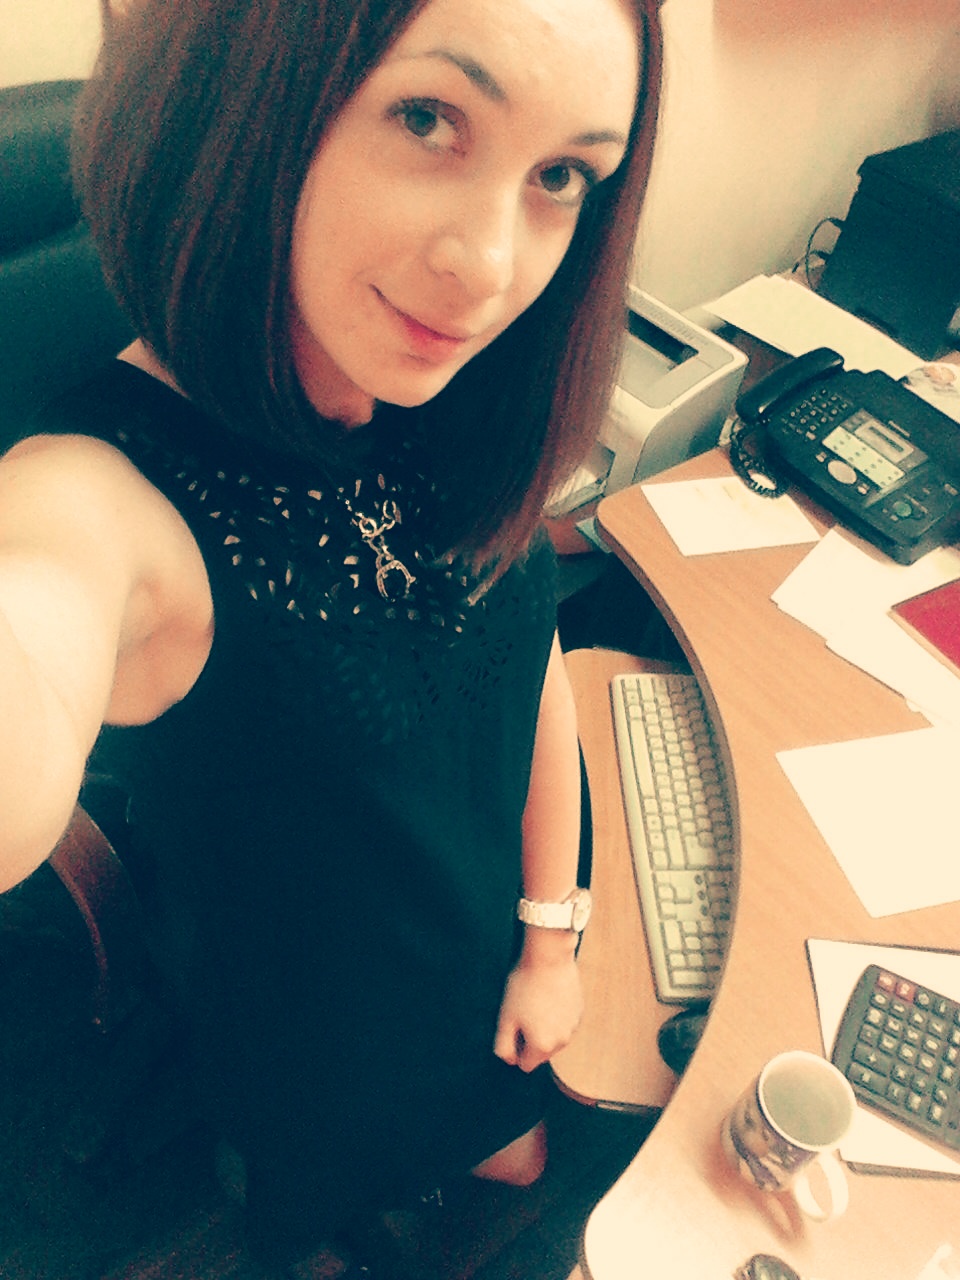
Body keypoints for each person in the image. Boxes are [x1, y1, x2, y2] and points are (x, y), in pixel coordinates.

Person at [0, 0, 662, 1274]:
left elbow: (525, 654)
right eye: (427, 116)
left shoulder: (448, 393)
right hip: (332, 1039)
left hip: (494, 942)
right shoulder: (102, 498)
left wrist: (548, 933)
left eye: (561, 175)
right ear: (257, 96)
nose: (490, 266)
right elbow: (39, 601)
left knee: (533, 1162)